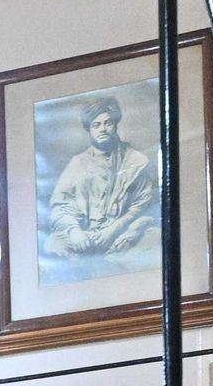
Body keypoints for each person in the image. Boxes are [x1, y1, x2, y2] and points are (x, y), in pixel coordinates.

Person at [43, 95, 158, 272]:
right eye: (96, 125)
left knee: (156, 238)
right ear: (88, 129)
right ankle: (92, 270)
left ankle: (107, 266)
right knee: (52, 245)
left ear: (116, 124)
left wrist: (113, 230)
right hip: (87, 236)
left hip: (123, 231)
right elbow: (61, 205)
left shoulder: (136, 161)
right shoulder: (77, 164)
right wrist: (75, 231)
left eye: (108, 123)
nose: (103, 129)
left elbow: (142, 205)